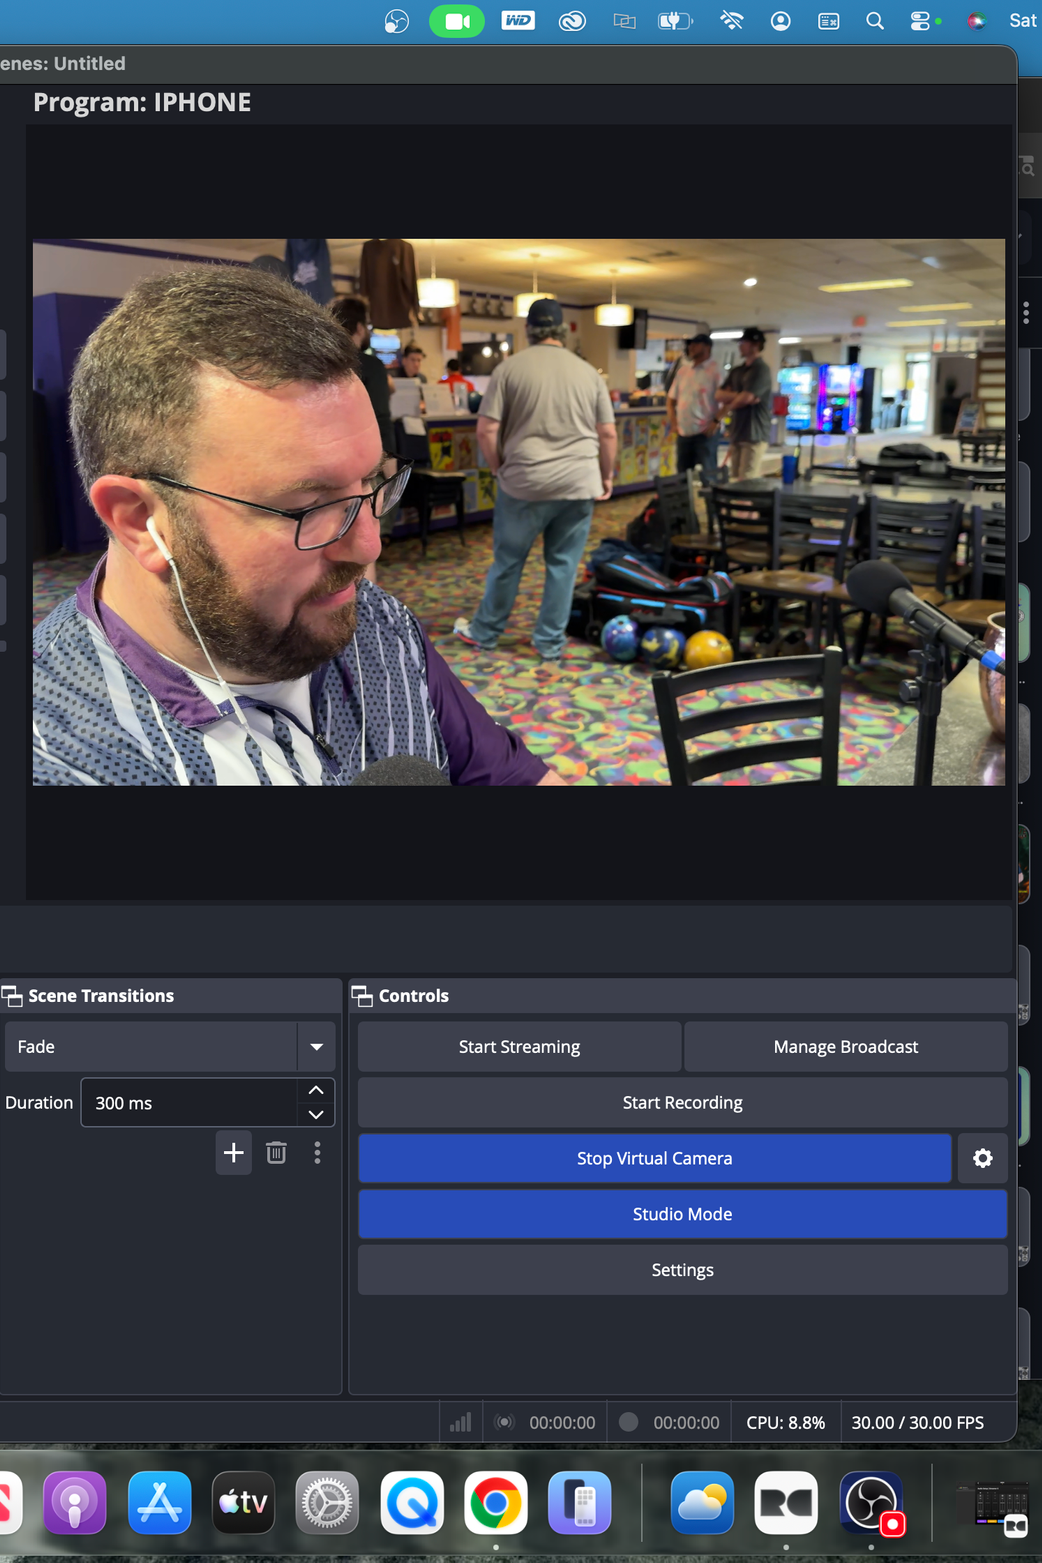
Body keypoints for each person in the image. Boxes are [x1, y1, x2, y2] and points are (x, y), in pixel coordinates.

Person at [32, 268, 565, 786]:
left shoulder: (377, 624)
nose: (369, 546)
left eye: (371, 482)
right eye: (310, 506)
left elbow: (510, 773)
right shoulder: (59, 759)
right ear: (140, 520)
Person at [453, 298, 616, 662]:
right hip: (578, 481)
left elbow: (486, 430)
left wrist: (497, 467)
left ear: (528, 330)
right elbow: (607, 433)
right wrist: (606, 476)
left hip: (524, 481)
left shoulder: (509, 369)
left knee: (508, 561)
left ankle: (486, 632)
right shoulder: (588, 372)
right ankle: (549, 642)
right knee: (563, 565)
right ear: (561, 330)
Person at [717, 326, 773, 480]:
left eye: (744, 342)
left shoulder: (761, 370)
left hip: (754, 433)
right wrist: (739, 396)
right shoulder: (737, 371)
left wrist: (732, 401)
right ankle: (735, 504)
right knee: (735, 478)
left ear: (755, 345)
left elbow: (747, 398)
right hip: (737, 432)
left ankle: (745, 504)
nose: (740, 346)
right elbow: (719, 394)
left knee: (747, 479)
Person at [666, 334, 721, 480]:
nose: (691, 347)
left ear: (707, 347)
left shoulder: (716, 371)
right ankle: (684, 503)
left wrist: (716, 421)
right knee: (682, 476)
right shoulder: (683, 371)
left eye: (696, 344)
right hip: (684, 432)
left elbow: (726, 400)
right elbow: (671, 400)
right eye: (690, 345)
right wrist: (674, 422)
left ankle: (712, 502)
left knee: (709, 476)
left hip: (705, 432)